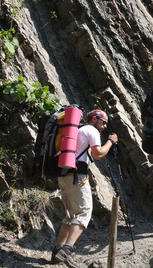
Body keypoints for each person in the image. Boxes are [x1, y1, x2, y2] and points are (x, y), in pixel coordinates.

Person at [52, 109, 118, 267]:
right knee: (84, 212)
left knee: (70, 215)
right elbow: (99, 154)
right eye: (103, 122)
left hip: (64, 174)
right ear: (94, 119)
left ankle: (58, 250)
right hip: (77, 176)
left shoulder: (78, 130)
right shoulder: (91, 130)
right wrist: (111, 141)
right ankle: (67, 250)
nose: (104, 126)